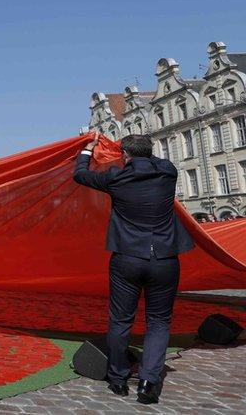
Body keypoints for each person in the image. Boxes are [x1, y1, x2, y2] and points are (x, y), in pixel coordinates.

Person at [73, 132, 194, 405]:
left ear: (125, 155)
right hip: (164, 259)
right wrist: (133, 153)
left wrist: (88, 150)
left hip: (127, 258)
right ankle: (149, 382)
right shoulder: (168, 173)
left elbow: (80, 174)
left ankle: (118, 379)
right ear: (149, 152)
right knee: (159, 321)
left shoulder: (115, 178)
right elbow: (155, 160)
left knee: (120, 320)